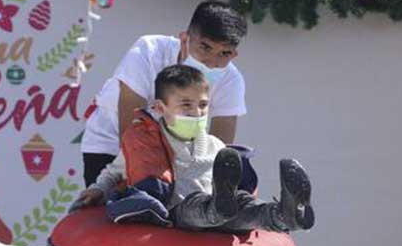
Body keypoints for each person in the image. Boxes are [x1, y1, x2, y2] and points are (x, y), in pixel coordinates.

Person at [73, 65, 314, 233]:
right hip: (179, 212)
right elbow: (114, 172)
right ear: (160, 107)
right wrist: (97, 190)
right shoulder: (147, 142)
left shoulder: (215, 145)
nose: (197, 113)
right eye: (186, 105)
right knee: (196, 207)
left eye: (202, 105)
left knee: (243, 205)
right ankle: (218, 207)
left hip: (222, 208)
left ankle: (284, 214)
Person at [80, 1, 248, 187]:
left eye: (224, 53)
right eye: (205, 47)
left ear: (234, 55)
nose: (211, 61)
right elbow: (131, 119)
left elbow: (220, 144)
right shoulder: (149, 50)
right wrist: (131, 175)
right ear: (184, 38)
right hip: (113, 145)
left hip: (179, 159)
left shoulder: (231, 80)